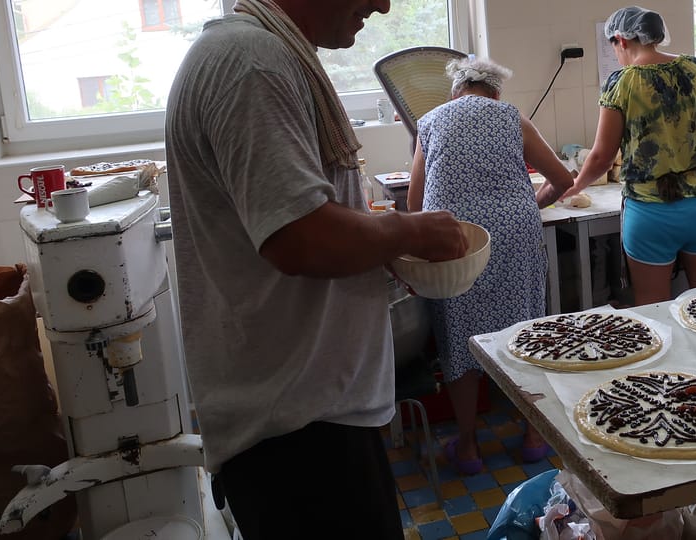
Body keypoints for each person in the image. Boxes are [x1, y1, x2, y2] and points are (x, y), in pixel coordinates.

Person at [164, 0, 469, 537]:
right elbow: (301, 239)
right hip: (297, 431)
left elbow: (301, 219)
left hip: (310, 414)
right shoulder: (250, 61)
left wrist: (376, 243)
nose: (383, 4)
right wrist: (409, 231)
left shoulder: (259, 51)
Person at [406, 56, 574, 474]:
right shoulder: (511, 117)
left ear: (456, 91)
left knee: (461, 337)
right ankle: (535, 435)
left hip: (456, 243)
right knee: (523, 331)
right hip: (516, 236)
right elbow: (563, 179)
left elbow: (414, 204)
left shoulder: (429, 122)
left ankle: (467, 447)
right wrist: (530, 205)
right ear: (495, 92)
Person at [560, 6, 696, 307]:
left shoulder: (622, 83)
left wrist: (576, 185)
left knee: (654, 310)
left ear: (620, 40)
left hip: (651, 214)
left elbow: (602, 157)